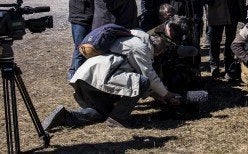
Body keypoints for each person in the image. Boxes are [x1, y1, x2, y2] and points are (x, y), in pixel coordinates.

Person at [41, 29, 182, 130]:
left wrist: (156, 95)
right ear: (158, 50)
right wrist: (167, 95)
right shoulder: (140, 47)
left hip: (85, 76)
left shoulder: (131, 36)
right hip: (99, 77)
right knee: (142, 81)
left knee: (101, 113)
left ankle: (65, 116)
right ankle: (118, 118)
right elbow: (149, 77)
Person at [67, 0, 94, 80]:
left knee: (82, 49)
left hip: (89, 15)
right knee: (81, 50)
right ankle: (77, 81)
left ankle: (73, 74)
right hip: (80, 17)